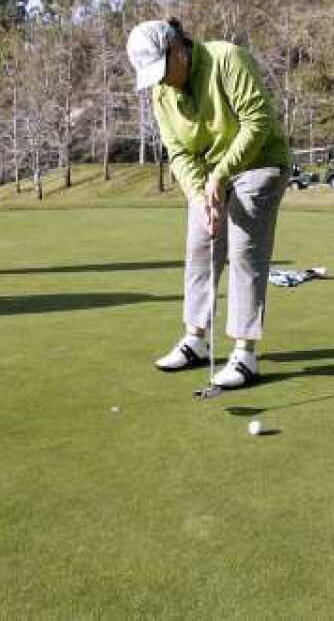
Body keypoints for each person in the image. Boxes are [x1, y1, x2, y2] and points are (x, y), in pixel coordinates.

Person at [126, 19, 291, 390]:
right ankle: (195, 340)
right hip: (210, 174)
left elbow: (258, 120)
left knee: (244, 249)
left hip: (260, 162)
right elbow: (179, 152)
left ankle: (245, 353)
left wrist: (221, 174)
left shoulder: (227, 59)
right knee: (200, 245)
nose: (161, 80)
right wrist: (200, 197)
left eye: (163, 69)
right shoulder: (161, 92)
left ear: (178, 49)